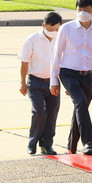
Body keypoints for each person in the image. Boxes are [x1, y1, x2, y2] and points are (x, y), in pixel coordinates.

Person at [50, 0, 92, 156]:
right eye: (79, 10)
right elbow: (57, 54)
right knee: (81, 102)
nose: (82, 13)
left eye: (86, 10)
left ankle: (72, 146)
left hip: (88, 75)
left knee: (81, 108)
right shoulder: (66, 29)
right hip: (68, 73)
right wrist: (53, 79)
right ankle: (88, 142)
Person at [18, 12, 63, 155]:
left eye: (57, 29)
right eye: (51, 29)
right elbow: (24, 62)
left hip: (54, 81)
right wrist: (23, 83)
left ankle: (47, 145)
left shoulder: (61, 39)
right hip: (36, 82)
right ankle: (32, 142)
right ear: (43, 26)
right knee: (38, 112)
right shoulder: (32, 39)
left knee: (52, 113)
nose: (54, 32)